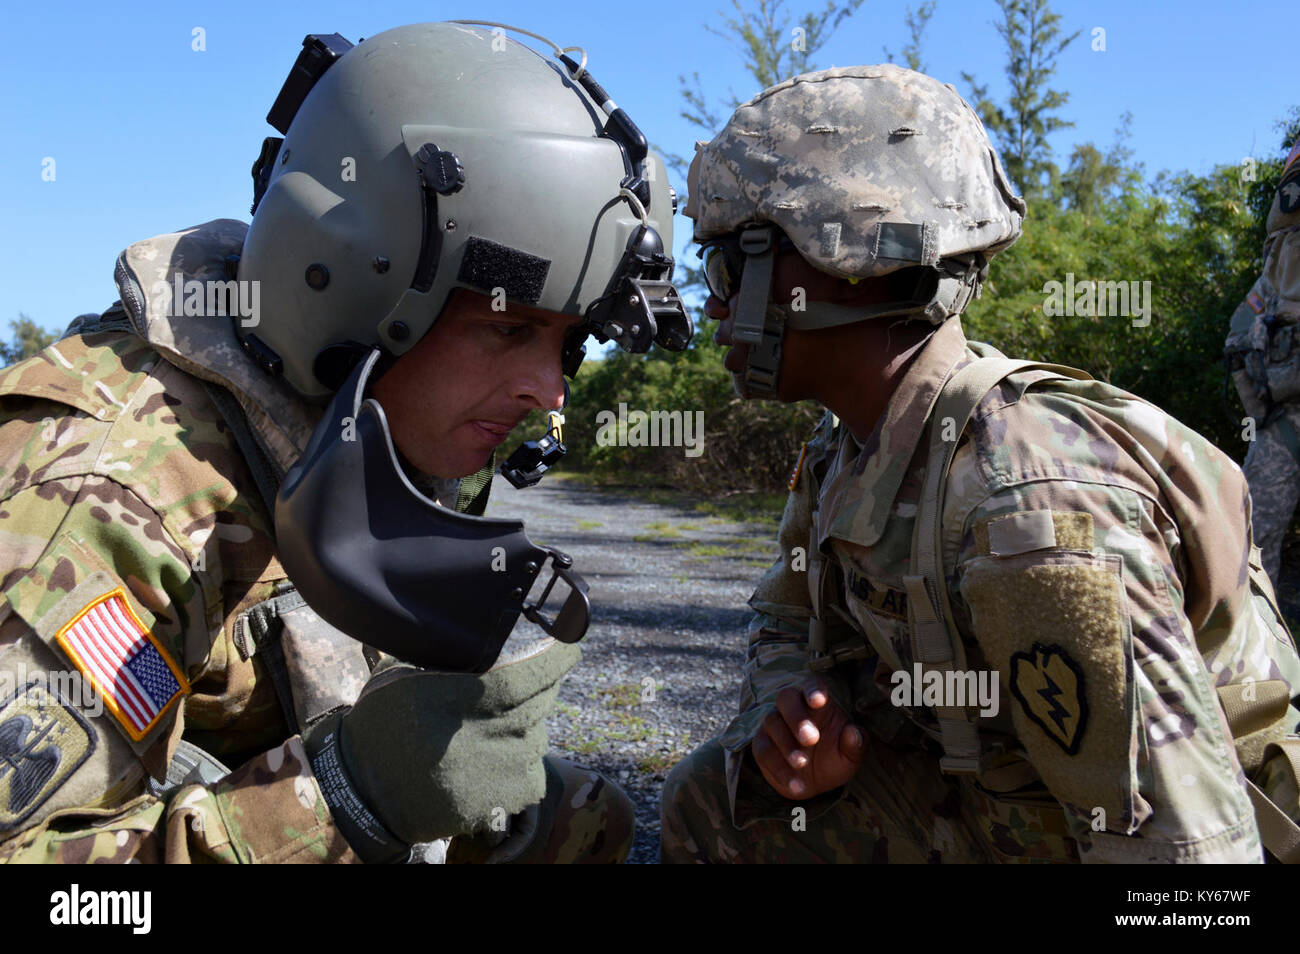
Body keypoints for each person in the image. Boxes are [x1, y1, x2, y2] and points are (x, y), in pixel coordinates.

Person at [0, 21, 690, 863]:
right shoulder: (109, 496)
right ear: (347, 288)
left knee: (577, 825)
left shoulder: (359, 408)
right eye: (510, 332)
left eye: (569, 343)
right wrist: (348, 801)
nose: (551, 393)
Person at [661, 64, 1300, 863]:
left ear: (848, 263)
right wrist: (785, 709)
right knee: (715, 806)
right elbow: (783, 614)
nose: (714, 305)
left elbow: (1193, 867)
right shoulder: (847, 448)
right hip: (1009, 797)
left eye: (728, 269)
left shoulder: (1027, 508)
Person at [1225, 139, 1300, 591]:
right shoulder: (1277, 265)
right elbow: (1239, 335)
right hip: (1281, 412)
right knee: (1248, 542)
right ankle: (1259, 654)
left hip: (1278, 410)